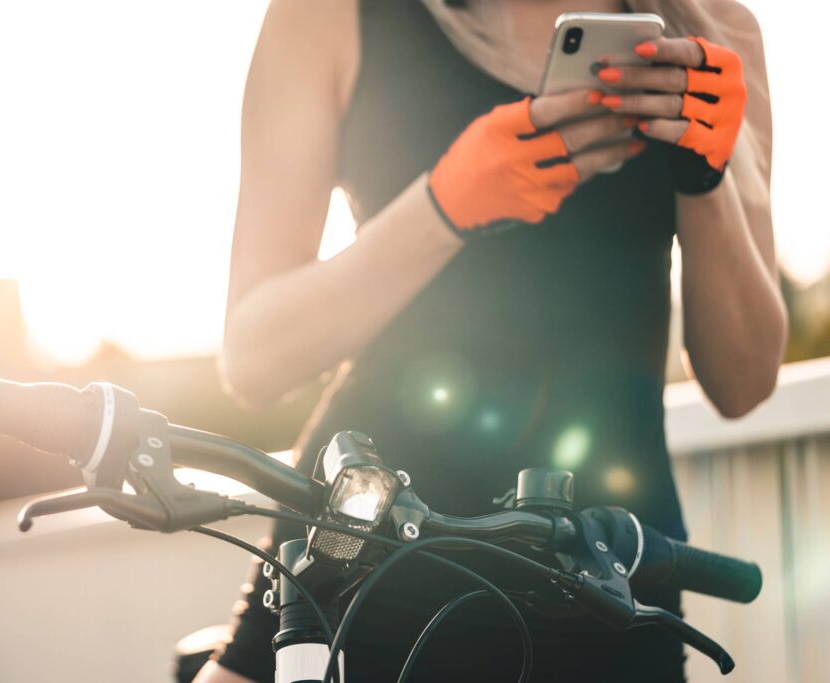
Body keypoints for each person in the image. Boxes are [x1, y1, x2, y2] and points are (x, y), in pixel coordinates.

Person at [198, 0, 785, 680]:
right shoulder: (328, 15)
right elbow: (252, 359)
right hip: (358, 571)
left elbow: (743, 383)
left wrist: (705, 179)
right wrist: (450, 201)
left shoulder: (716, 31)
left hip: (604, 586)